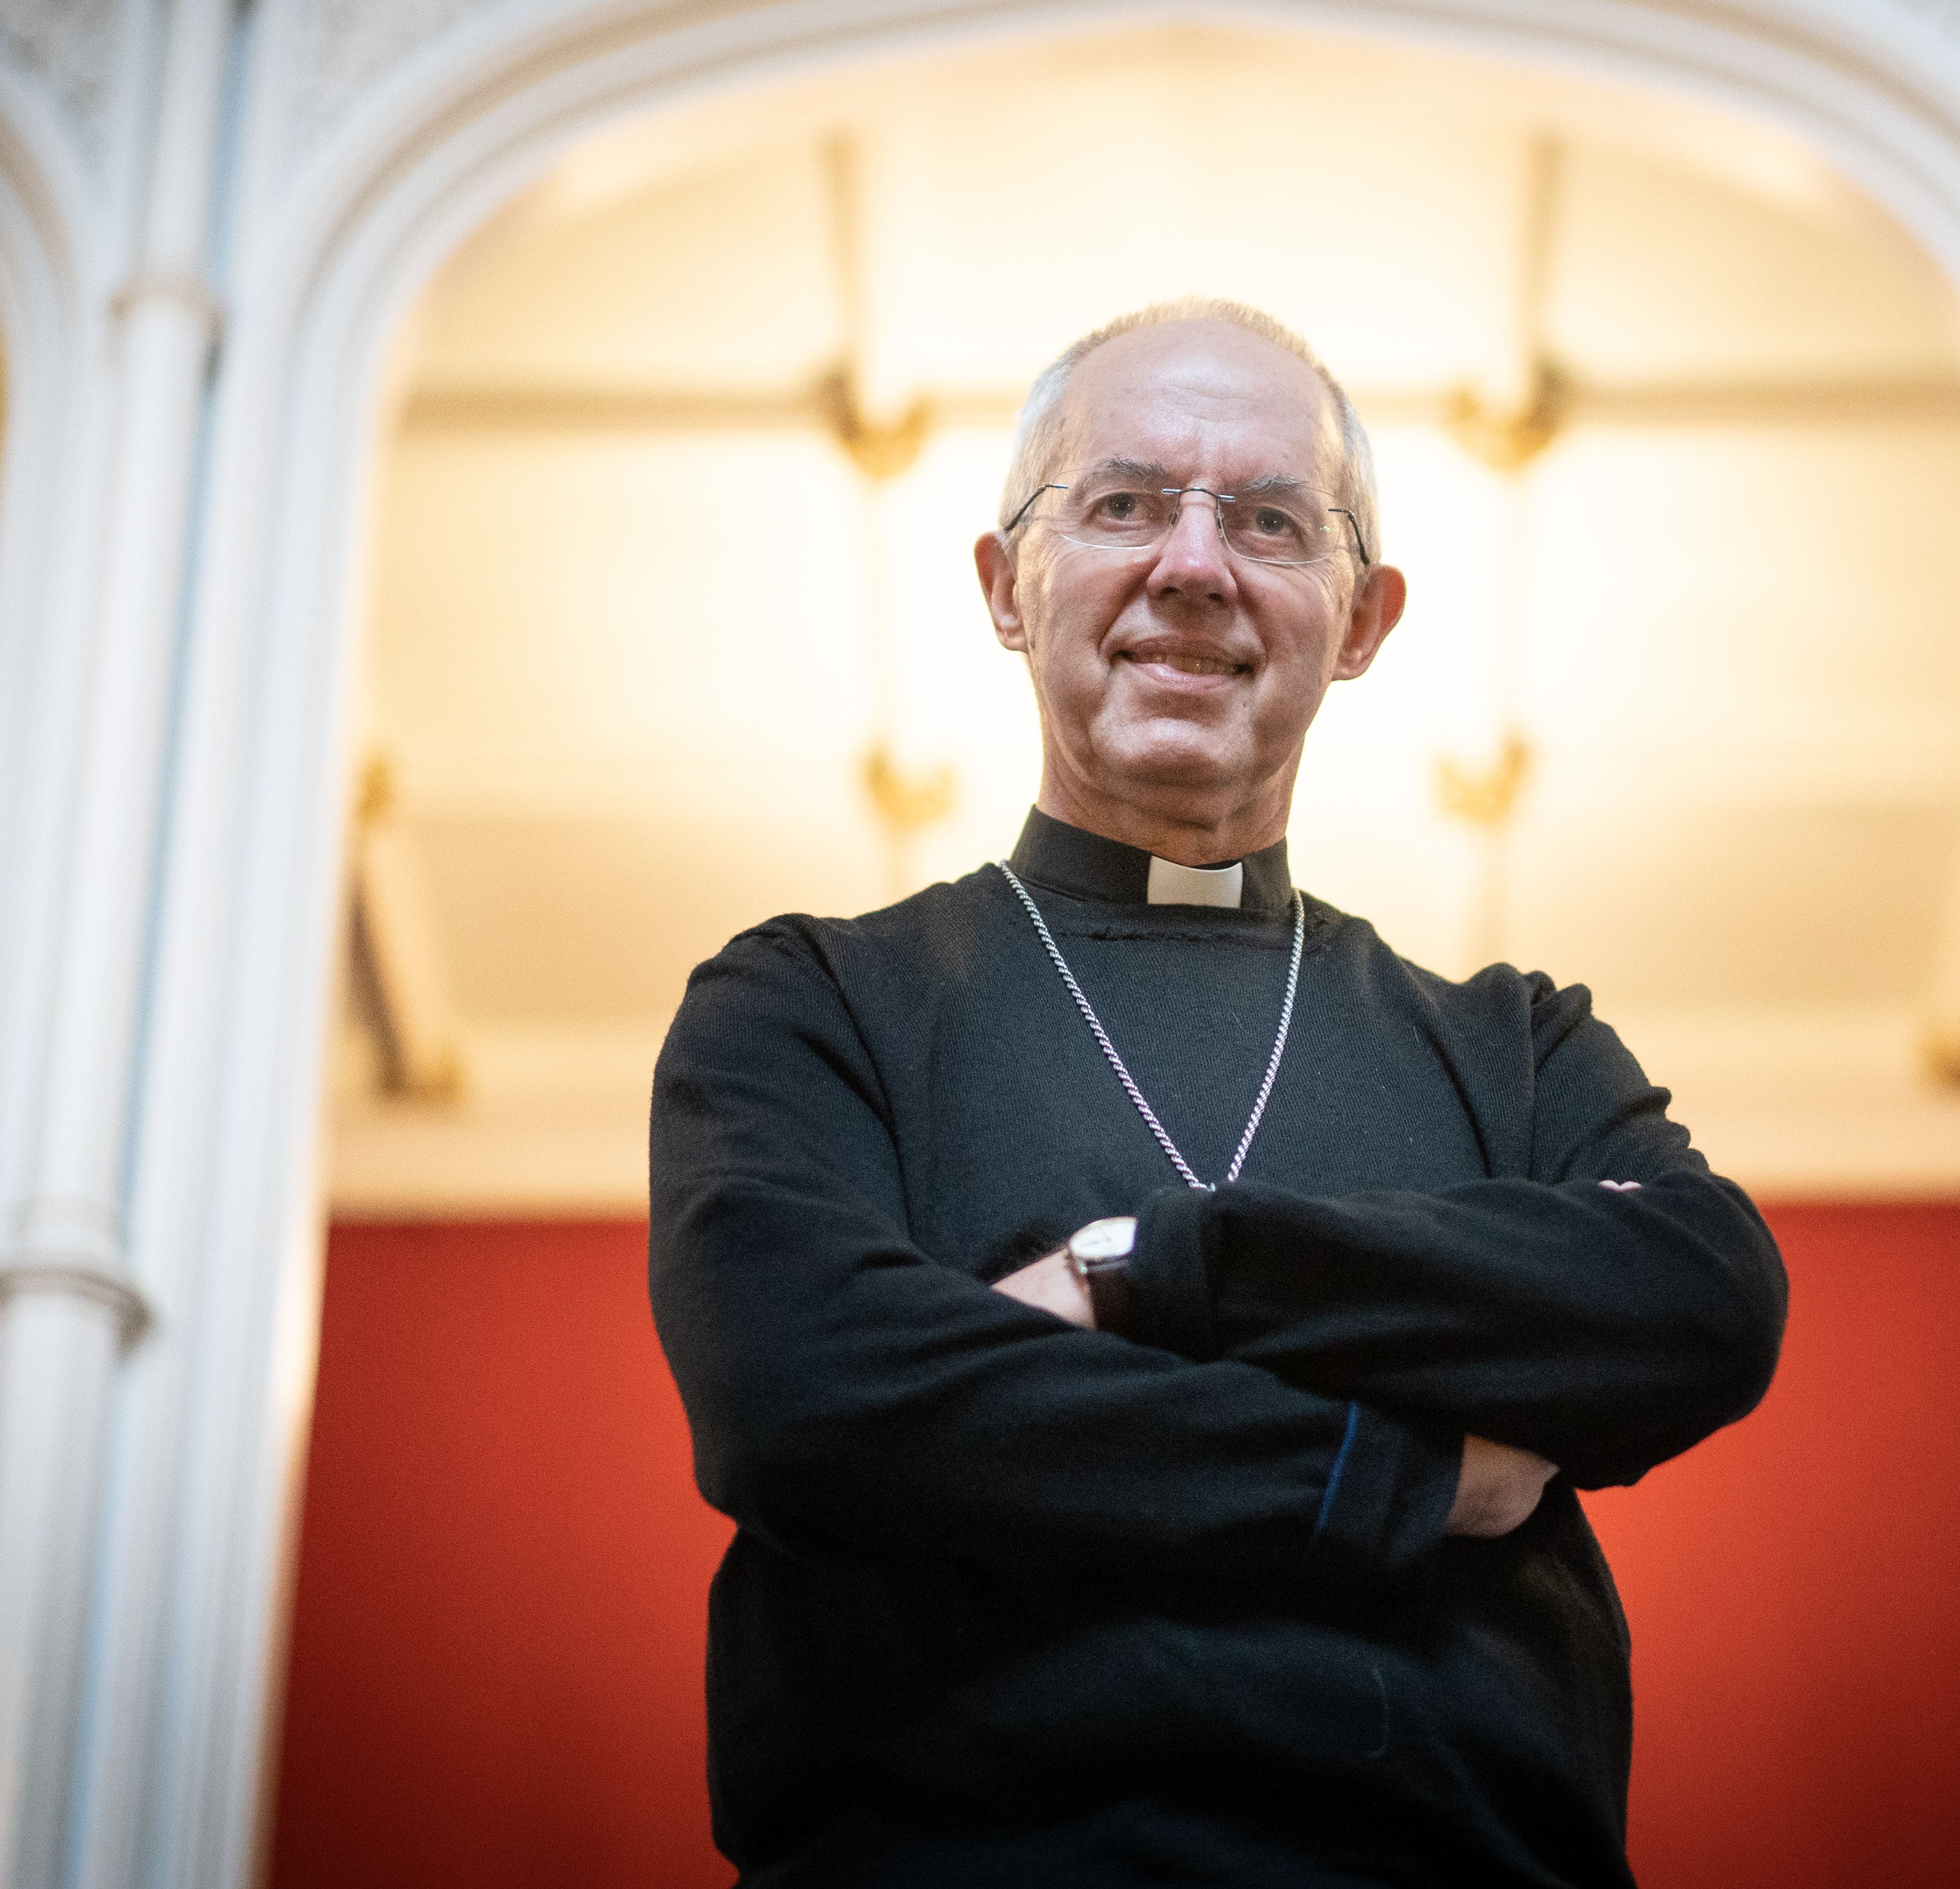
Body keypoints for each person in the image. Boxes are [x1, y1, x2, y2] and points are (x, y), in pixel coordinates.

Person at [648, 297, 1789, 1887]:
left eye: (1271, 520)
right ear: (1004, 583)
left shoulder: (1511, 1046)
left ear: (1366, 619)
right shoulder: (812, 1001)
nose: (1194, 564)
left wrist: (1152, 1272)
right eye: (1123, 502)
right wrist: (1394, 1471)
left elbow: (1701, 1294)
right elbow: (813, 1402)